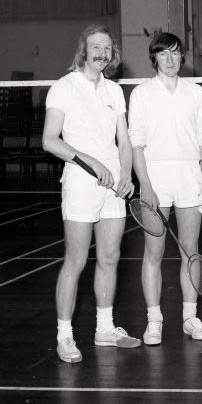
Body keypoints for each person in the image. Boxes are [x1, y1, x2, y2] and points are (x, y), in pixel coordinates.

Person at [42, 24, 141, 363]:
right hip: (81, 184)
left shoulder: (114, 91)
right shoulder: (64, 87)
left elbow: (124, 141)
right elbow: (50, 140)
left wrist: (126, 175)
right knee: (76, 260)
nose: (102, 52)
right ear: (83, 50)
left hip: (113, 185)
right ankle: (65, 336)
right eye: (95, 46)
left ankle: (104, 329)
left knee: (110, 258)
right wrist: (90, 161)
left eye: (107, 48)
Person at [128, 32, 202, 345]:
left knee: (190, 251)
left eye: (175, 53)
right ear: (155, 58)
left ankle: (190, 317)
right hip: (156, 178)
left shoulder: (196, 93)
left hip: (190, 176)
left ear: (182, 56)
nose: (170, 59)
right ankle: (154, 320)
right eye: (163, 54)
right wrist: (145, 186)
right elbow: (137, 144)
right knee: (154, 252)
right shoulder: (141, 93)